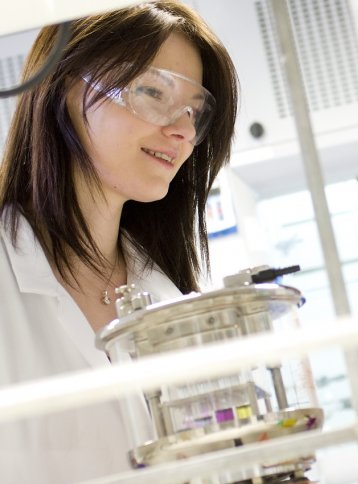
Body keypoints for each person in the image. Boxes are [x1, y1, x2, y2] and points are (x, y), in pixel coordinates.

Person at [0, 1, 237, 482]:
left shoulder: (170, 292)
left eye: (195, 112)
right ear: (62, 83)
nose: (184, 130)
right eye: (153, 91)